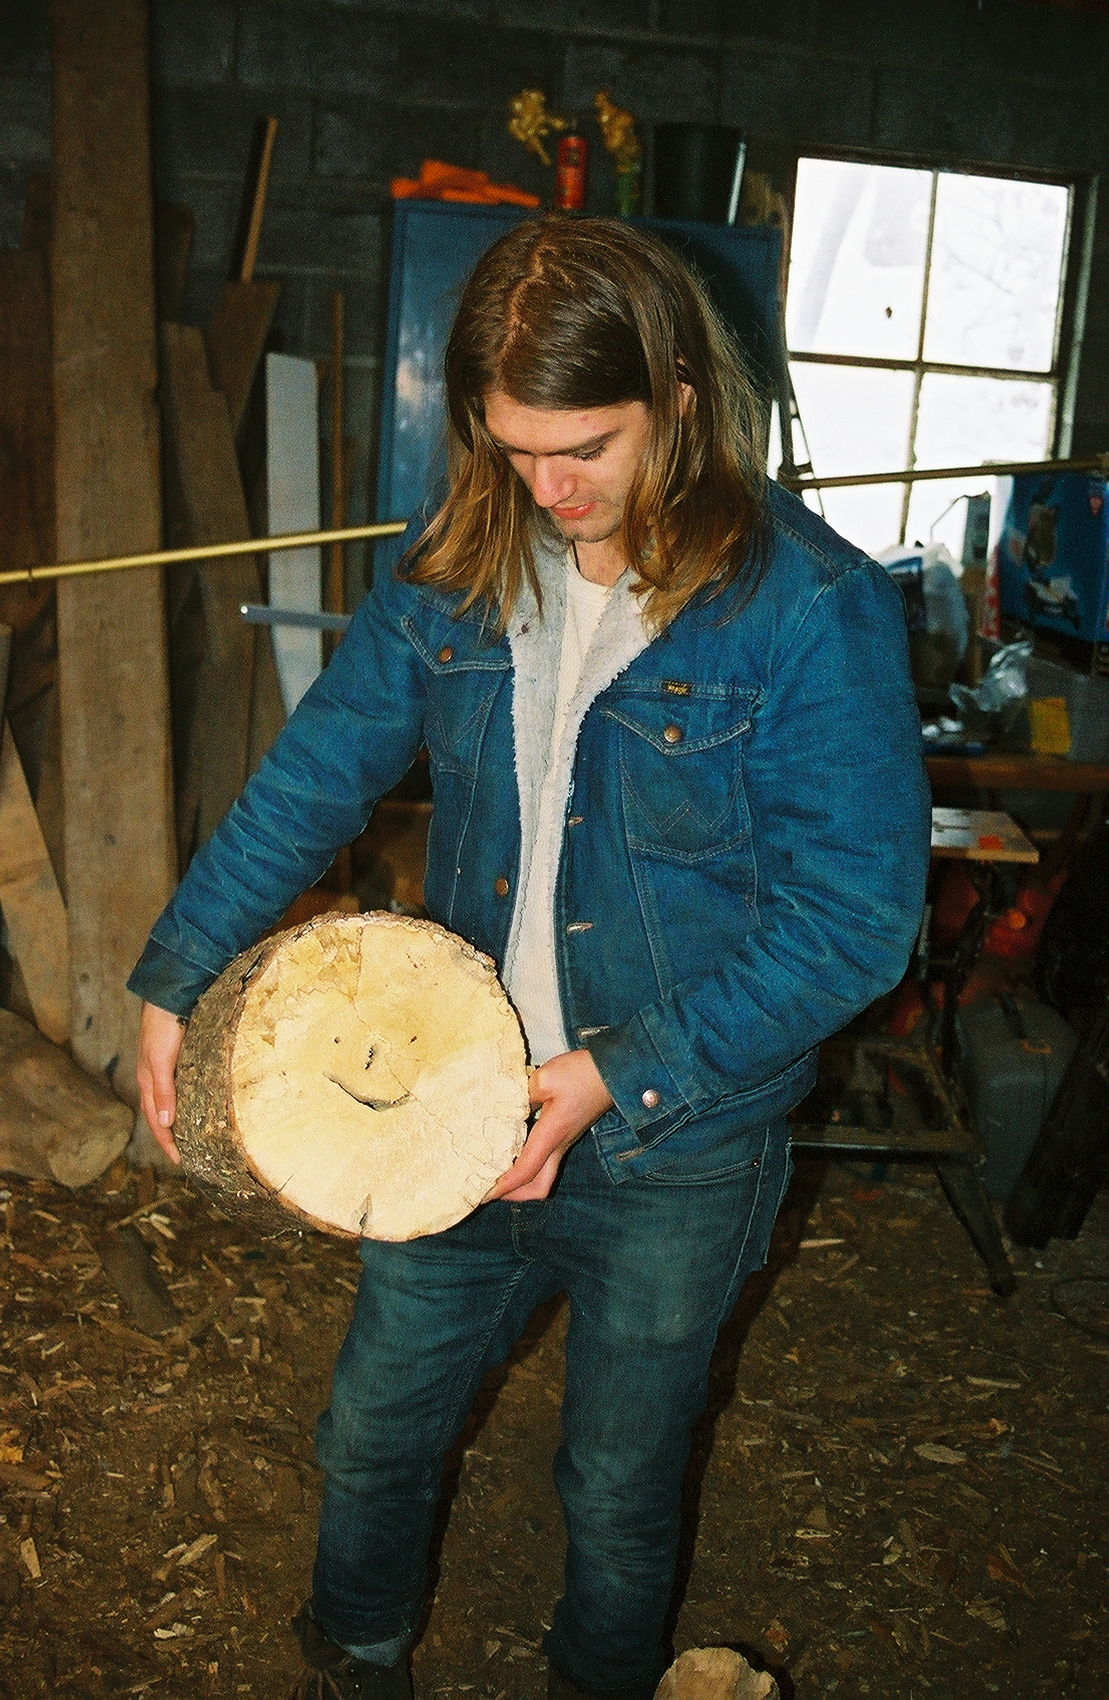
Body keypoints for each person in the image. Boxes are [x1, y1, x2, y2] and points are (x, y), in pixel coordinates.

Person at [130, 216, 931, 1700]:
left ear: (679, 399)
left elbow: (854, 922)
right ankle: (355, 1656)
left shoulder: (805, 610)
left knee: (618, 1479)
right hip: (453, 1097)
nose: (551, 490)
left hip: (674, 1142)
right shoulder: (454, 575)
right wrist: (176, 972)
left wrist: (609, 1077)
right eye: (513, 450)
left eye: (586, 449)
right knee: (375, 1423)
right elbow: (314, 777)